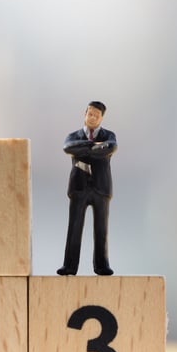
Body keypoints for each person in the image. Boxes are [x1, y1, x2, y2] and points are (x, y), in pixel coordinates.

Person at [58, 101, 117, 276]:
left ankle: (101, 265)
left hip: (100, 187)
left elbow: (110, 147)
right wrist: (94, 147)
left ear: (101, 118)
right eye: (90, 114)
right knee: (74, 228)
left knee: (101, 230)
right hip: (79, 187)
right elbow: (68, 147)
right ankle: (69, 265)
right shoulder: (73, 135)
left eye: (96, 116)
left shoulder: (109, 135)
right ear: (85, 114)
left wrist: (84, 149)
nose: (92, 118)